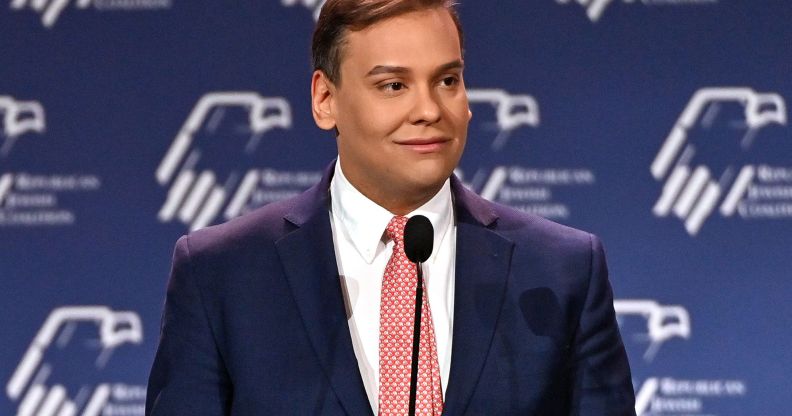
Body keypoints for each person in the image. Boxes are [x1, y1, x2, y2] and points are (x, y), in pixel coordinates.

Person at [145, 1, 636, 415]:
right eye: (393, 86)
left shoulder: (562, 270)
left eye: (447, 80)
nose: (428, 109)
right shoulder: (220, 274)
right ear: (325, 100)